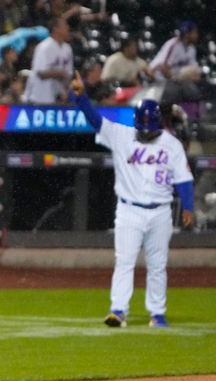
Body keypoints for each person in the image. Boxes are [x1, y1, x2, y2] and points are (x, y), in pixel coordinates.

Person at [69, 71, 194, 328]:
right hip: (129, 211)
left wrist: (189, 206)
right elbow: (95, 120)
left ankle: (157, 314)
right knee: (124, 262)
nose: (146, 132)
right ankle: (118, 310)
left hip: (160, 211)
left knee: (158, 265)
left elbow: (183, 179)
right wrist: (80, 98)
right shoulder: (122, 135)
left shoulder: (171, 145)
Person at [23, 17, 72, 104]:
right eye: (65, 25)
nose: (68, 27)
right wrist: (59, 73)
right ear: (55, 29)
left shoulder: (67, 49)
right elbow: (40, 73)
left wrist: (66, 90)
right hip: (37, 98)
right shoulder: (44, 47)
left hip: (56, 99)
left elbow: (68, 75)